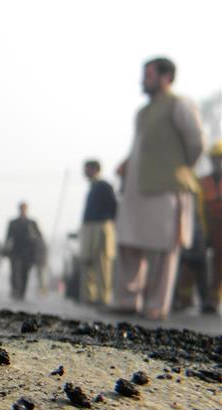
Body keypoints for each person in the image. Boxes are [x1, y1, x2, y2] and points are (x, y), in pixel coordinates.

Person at [112, 57, 204, 320]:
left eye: (149, 75)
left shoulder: (179, 105)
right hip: (137, 188)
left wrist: (180, 168)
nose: (143, 80)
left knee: (163, 249)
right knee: (128, 240)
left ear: (166, 77)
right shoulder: (143, 111)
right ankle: (127, 299)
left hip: (166, 187)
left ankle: (155, 304)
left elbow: (195, 142)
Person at [79, 159, 117, 306]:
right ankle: (89, 297)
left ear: (94, 169)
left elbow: (114, 207)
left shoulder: (103, 186)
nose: (84, 172)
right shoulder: (93, 187)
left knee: (102, 262)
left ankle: (104, 297)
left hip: (101, 226)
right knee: (87, 261)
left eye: (87, 169)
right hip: (89, 227)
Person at [3, 202, 41, 300]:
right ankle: (15, 289)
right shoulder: (13, 222)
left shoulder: (32, 223)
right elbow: (8, 237)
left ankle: (22, 292)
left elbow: (39, 237)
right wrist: (5, 249)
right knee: (15, 272)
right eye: (21, 209)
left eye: (24, 209)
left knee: (25, 273)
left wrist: (34, 239)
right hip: (15, 251)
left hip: (28, 252)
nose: (23, 211)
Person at [202, 140, 222, 314]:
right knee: (214, 263)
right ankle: (212, 300)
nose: (218, 163)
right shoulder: (204, 181)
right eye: (215, 159)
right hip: (210, 226)